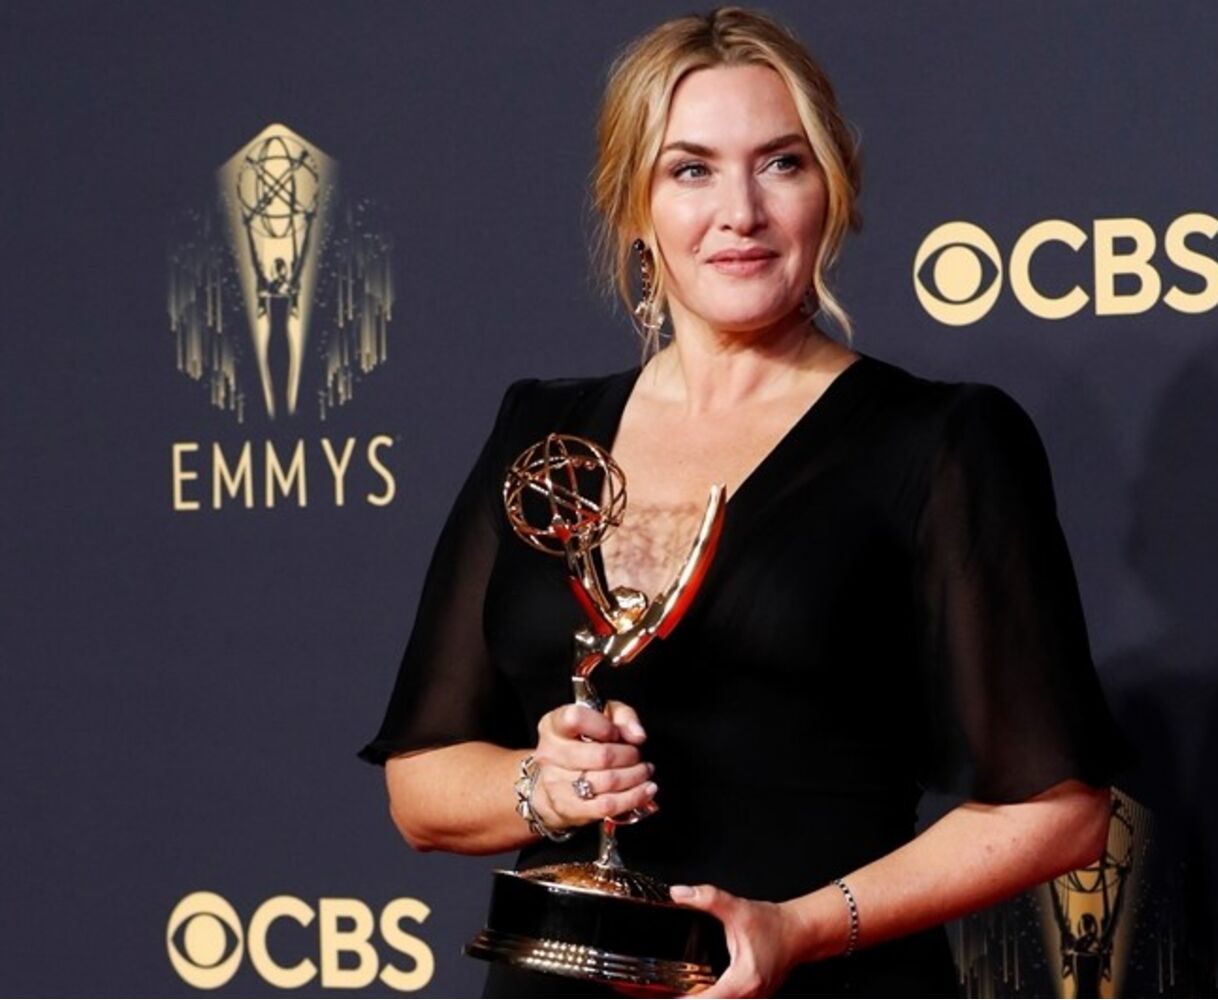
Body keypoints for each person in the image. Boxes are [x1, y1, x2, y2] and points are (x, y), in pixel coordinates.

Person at [360, 7, 1129, 997]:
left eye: (781, 164)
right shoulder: (546, 437)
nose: (741, 212)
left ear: (831, 190)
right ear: (632, 205)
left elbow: (1061, 813)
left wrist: (796, 929)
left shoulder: (939, 441)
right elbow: (421, 787)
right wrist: (545, 787)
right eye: (691, 170)